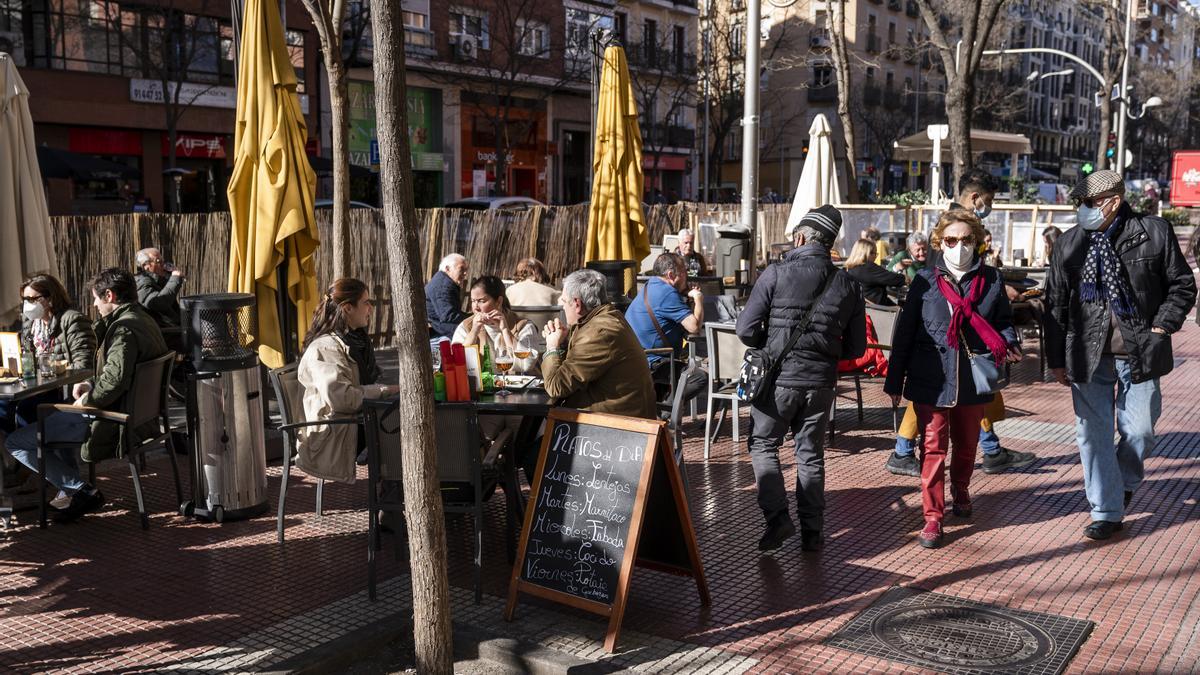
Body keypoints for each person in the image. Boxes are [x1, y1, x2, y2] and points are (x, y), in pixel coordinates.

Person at [1044, 170, 1196, 540]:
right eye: (1080, 203)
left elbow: (1182, 286)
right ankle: (1107, 510)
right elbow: (1055, 303)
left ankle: (1122, 483)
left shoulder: (1154, 232)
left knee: (1140, 431)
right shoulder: (1069, 243)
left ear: (1114, 200)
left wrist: (1160, 328)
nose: (1085, 210)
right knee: (1092, 436)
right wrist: (1056, 360)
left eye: (1091, 203)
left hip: (1140, 352)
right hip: (1087, 355)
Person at [884, 209, 1023, 549]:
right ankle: (933, 516)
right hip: (931, 377)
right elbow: (904, 333)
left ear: (977, 243)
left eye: (966, 240)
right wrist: (894, 382)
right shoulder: (924, 281)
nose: (958, 246)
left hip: (973, 377)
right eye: (951, 240)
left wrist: (1010, 342)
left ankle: (961, 488)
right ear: (939, 242)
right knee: (932, 449)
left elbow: (1003, 320)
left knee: (967, 447)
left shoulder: (991, 279)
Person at [736, 205, 866, 553]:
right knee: (810, 455)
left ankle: (778, 520)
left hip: (778, 381)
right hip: (821, 384)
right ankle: (813, 532)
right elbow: (856, 348)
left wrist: (772, 338)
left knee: (763, 446)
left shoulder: (776, 273)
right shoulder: (849, 284)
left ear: (799, 237)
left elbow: (745, 330)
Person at [5, 269, 168, 523]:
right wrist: (91, 384)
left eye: (95, 298)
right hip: (135, 416)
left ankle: (79, 489)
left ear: (110, 295)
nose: (93, 304)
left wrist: (87, 400)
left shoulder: (123, 330)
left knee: (15, 441)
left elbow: (114, 380)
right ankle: (71, 490)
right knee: (35, 415)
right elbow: (117, 374)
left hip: (110, 421)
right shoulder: (143, 320)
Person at [296, 279, 400, 484]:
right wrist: (386, 390)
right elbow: (343, 399)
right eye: (366, 302)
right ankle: (391, 502)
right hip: (336, 431)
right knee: (402, 429)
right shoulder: (326, 347)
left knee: (407, 418)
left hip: (355, 420)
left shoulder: (353, 339)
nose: (370, 308)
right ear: (347, 308)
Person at [541, 269, 657, 420]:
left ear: (577, 303)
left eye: (563, 301)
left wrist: (552, 348)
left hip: (617, 428)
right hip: (621, 415)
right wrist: (562, 342)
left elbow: (557, 387)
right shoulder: (605, 316)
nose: (562, 306)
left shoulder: (597, 333)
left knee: (531, 443)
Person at [5, 274, 96, 431]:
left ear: (50, 298)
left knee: (26, 408)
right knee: (2, 406)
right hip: (35, 387)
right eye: (25, 299)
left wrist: (52, 369)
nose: (27, 304)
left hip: (62, 389)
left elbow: (84, 365)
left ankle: (32, 449)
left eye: (33, 299)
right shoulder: (30, 323)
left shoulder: (72, 320)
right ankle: (16, 449)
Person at [625, 252, 708, 401]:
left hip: (637, 357)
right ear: (671, 275)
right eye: (683, 272)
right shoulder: (667, 294)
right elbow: (694, 327)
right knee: (699, 377)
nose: (686, 277)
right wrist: (698, 299)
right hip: (655, 361)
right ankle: (668, 411)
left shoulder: (651, 285)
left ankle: (662, 406)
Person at [453, 275, 539, 374]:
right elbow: (456, 363)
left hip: (520, 387)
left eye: (481, 301)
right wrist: (474, 332)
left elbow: (526, 364)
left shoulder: (523, 325)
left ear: (499, 301)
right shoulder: (466, 326)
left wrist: (506, 331)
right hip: (483, 388)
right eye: (473, 301)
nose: (475, 307)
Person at [425, 253, 470, 342]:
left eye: (466, 270)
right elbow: (449, 316)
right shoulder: (443, 285)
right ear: (447, 268)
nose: (465, 273)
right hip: (442, 334)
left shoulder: (444, 281)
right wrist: (472, 318)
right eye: (461, 269)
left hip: (442, 330)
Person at [844, 239, 904, 306]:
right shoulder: (868, 267)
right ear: (867, 253)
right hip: (878, 310)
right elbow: (893, 279)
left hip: (860, 308)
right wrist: (905, 278)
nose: (875, 256)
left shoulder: (849, 268)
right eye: (874, 253)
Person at [134, 247, 184, 329]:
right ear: (146, 266)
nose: (163, 265)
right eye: (158, 261)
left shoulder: (158, 279)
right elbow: (159, 303)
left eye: (162, 261)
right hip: (162, 333)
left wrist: (169, 278)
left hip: (172, 328)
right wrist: (175, 279)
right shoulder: (140, 283)